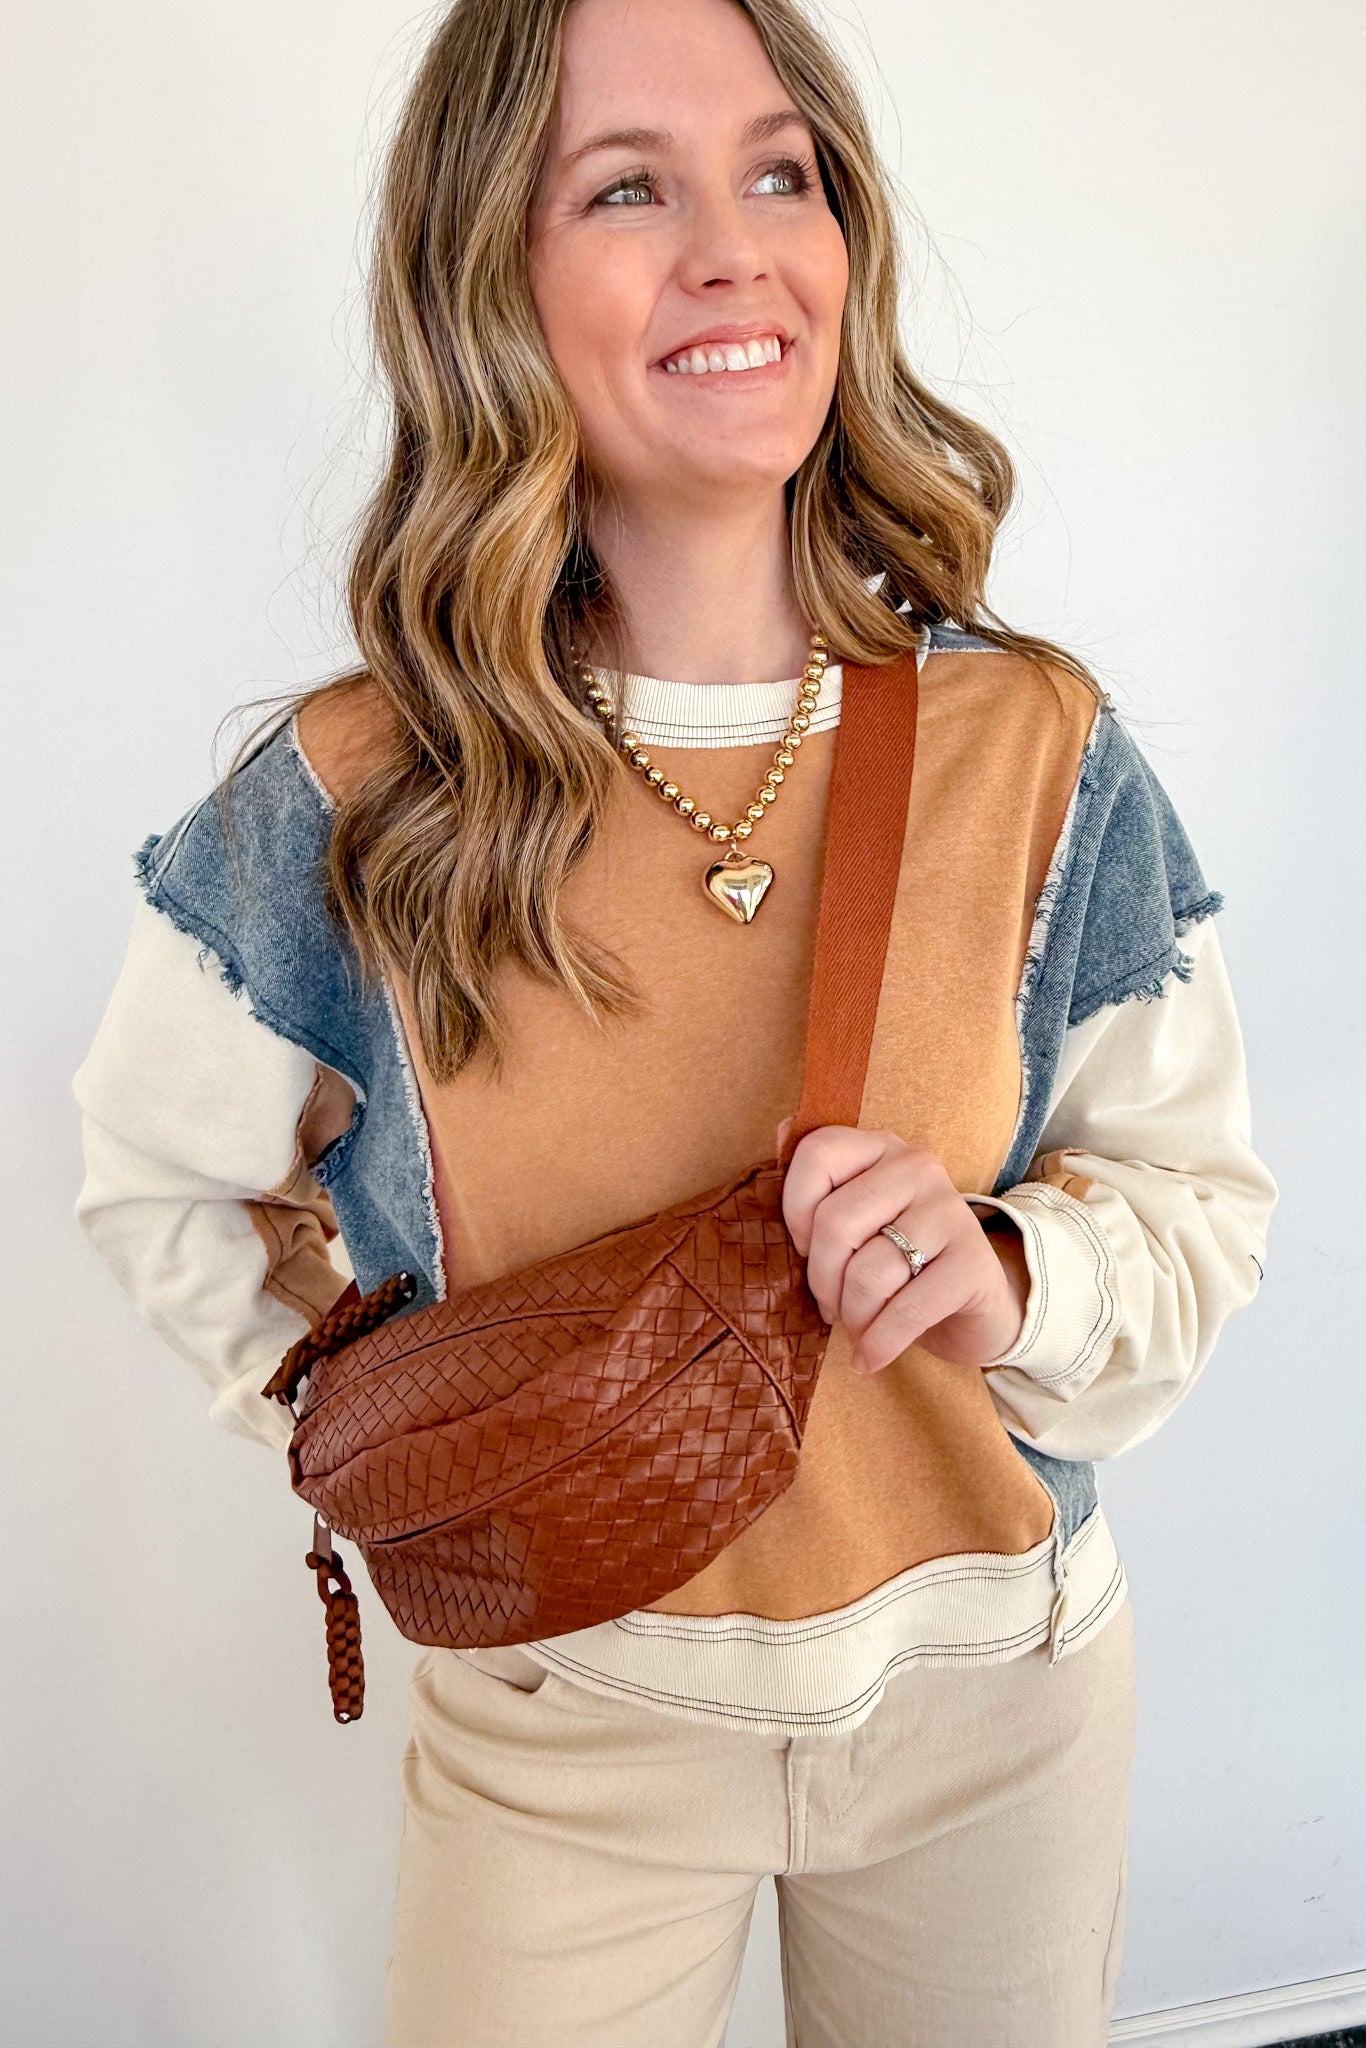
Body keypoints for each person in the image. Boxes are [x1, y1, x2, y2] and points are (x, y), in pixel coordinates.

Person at [70, 0, 1279, 2041]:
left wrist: (1010, 1274)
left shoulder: (1032, 749)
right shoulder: (356, 795)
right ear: (489, 275)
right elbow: (163, 1184)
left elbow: (1193, 1198)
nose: (734, 243)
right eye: (626, 185)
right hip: (564, 1721)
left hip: (993, 1700)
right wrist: (388, 1440)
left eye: (778, 169)